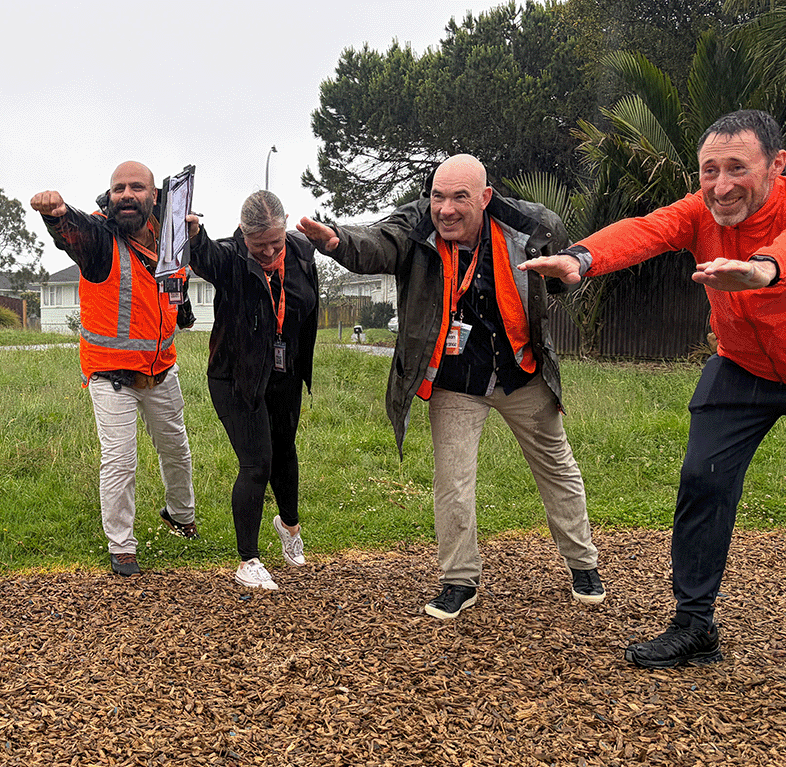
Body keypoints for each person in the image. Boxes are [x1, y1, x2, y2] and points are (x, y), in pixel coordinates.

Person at [520, 109, 786, 668]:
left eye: (738, 167)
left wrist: (763, 269)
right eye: (709, 169)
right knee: (702, 477)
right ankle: (694, 624)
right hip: (742, 365)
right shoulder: (701, 210)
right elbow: (646, 229)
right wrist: (580, 259)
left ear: (777, 165)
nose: (721, 184)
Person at [297, 154, 605, 619]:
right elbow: (378, 242)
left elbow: (563, 269)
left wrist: (562, 275)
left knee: (557, 467)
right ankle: (459, 579)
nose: (446, 209)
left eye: (460, 197)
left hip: (521, 369)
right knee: (452, 482)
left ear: (484, 198)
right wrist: (338, 241)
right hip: (455, 380)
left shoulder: (531, 225)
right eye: (438, 196)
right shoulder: (416, 224)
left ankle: (583, 563)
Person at [30, 161, 197, 577]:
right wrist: (56, 215)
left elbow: (176, 286)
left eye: (136, 187)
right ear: (110, 195)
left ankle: (181, 516)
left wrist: (185, 310)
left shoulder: (171, 237)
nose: (126, 194)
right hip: (111, 375)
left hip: (161, 371)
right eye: (119, 187)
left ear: (153, 196)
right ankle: (121, 546)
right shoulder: (99, 239)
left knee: (177, 451)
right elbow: (75, 232)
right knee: (120, 460)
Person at [186, 191, 318, 590]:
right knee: (257, 462)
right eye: (258, 245)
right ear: (243, 234)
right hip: (235, 376)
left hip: (283, 373)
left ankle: (289, 527)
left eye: (274, 243)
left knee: (285, 449)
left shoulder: (301, 251)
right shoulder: (230, 257)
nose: (268, 252)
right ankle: (248, 560)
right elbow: (205, 255)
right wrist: (193, 235)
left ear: (285, 227)